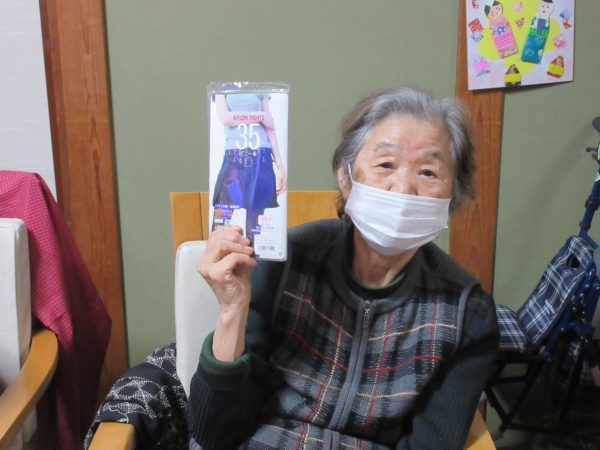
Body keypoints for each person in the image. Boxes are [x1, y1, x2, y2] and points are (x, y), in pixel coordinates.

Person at [188, 86, 500, 449]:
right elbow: (214, 434)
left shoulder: (468, 314)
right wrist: (231, 310)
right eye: (386, 165)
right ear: (346, 177)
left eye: (429, 172)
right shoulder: (280, 264)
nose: (403, 189)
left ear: (453, 194)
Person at [211, 93, 287, 245]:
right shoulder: (222, 89)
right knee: (221, 219)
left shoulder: (260, 90)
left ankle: (253, 257)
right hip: (234, 155)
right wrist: (260, 116)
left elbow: (270, 127)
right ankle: (220, 256)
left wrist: (280, 166)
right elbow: (226, 119)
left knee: (255, 227)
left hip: (261, 155)